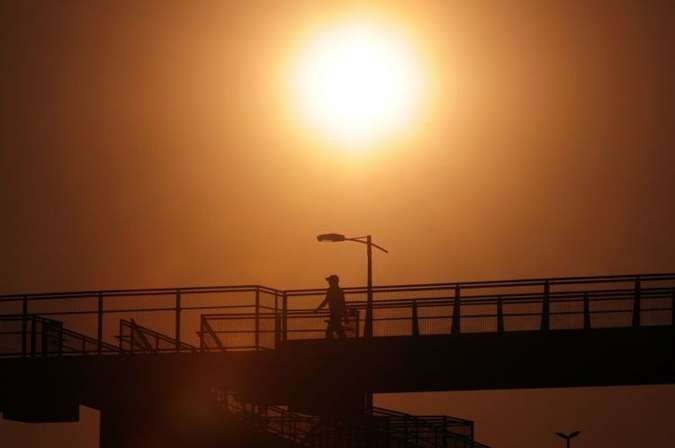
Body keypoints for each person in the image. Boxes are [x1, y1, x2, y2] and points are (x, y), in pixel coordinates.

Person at [315, 274, 348, 339]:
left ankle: (335, 346)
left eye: (330, 281)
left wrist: (317, 309)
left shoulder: (330, 291)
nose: (329, 282)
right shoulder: (340, 291)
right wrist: (345, 316)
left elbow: (326, 301)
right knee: (338, 330)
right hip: (337, 314)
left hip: (334, 314)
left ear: (333, 282)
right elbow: (343, 304)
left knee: (331, 332)